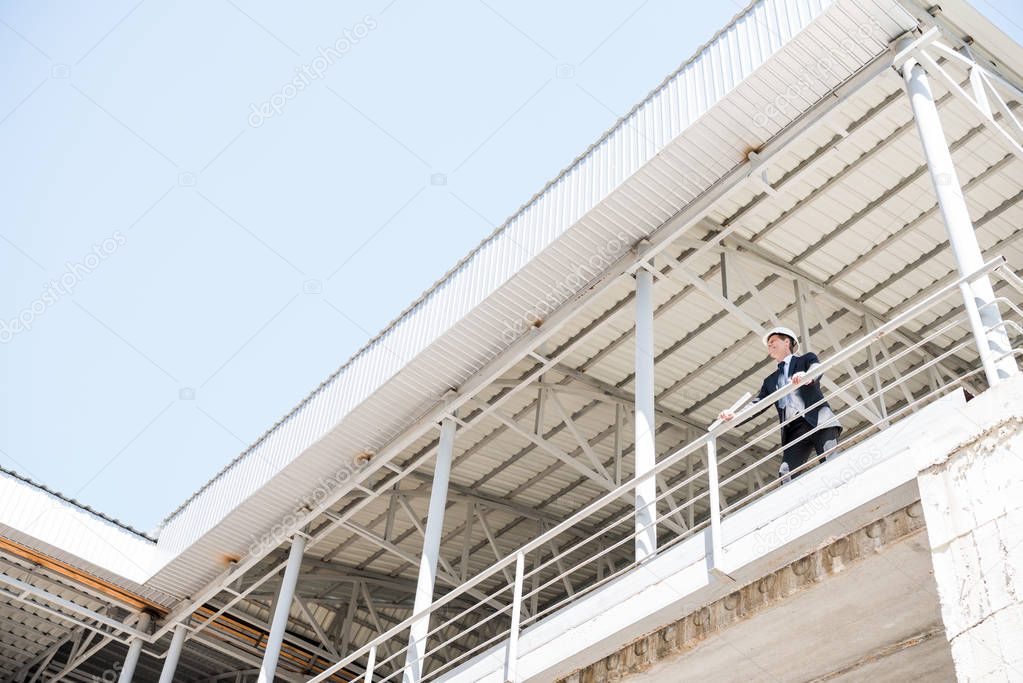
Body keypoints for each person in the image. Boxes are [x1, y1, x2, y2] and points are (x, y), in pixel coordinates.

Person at [718, 326, 841, 481]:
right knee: (786, 475)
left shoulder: (805, 359)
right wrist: (735, 416)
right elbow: (758, 404)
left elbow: (816, 368)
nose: (769, 346)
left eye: (773, 341)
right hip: (794, 431)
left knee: (831, 462)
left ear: (786, 342)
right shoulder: (770, 381)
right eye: (768, 344)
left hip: (819, 420)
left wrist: (807, 376)